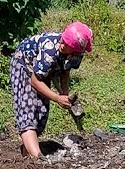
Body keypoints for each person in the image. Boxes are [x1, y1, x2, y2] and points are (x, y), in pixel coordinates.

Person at [10, 21, 93, 158]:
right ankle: (37, 158)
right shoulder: (50, 50)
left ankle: (28, 151)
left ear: (75, 51)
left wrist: (64, 94)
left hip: (42, 71)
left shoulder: (77, 55)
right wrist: (57, 98)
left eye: (67, 45)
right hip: (24, 64)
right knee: (28, 109)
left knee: (41, 110)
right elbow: (34, 80)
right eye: (63, 40)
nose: (62, 44)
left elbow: (65, 71)